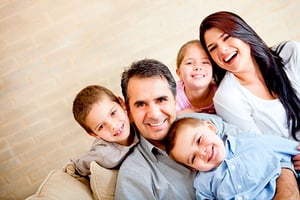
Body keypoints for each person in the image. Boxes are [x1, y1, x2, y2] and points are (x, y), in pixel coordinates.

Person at [114, 58, 298, 199]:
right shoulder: (133, 176)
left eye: (161, 100)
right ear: (128, 111)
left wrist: (288, 190)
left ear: (175, 100)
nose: (154, 114)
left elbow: (261, 150)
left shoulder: (201, 123)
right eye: (140, 104)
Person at [199, 11, 300, 141]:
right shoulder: (227, 97)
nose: (222, 50)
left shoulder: (291, 53)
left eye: (226, 37)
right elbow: (260, 148)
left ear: (242, 33)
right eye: (213, 48)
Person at [165, 117, 299, 199]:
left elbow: (291, 149)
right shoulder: (203, 184)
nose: (202, 152)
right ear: (192, 167)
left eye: (199, 140)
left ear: (211, 128)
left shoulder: (252, 142)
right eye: (193, 158)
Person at [70, 85, 138, 176]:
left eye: (113, 113)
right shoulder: (102, 154)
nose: (113, 126)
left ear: (121, 104)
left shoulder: (140, 121)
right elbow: (76, 167)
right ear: (93, 134)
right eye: (101, 126)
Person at [176, 39, 217, 115]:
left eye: (205, 62)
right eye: (189, 63)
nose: (198, 67)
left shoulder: (220, 92)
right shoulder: (173, 96)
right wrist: (180, 116)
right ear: (179, 73)